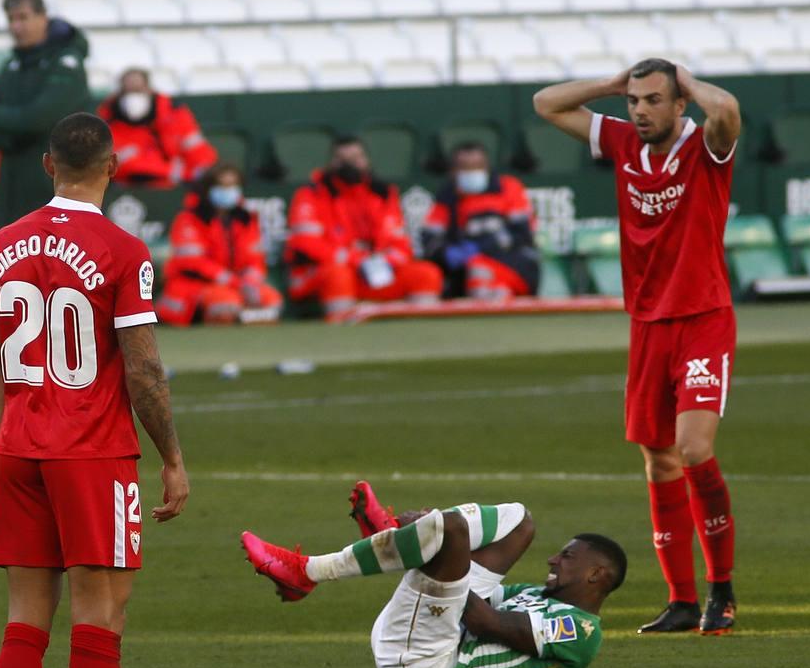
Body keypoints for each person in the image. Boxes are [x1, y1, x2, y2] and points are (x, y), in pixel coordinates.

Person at [0, 112, 191, 668]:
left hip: (20, 445)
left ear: (46, 165)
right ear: (113, 164)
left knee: (22, 621)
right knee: (100, 618)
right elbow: (144, 371)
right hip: (91, 451)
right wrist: (170, 457)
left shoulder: (0, 247)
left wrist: (15, 426)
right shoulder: (123, 250)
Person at [534, 58, 741, 635]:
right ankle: (679, 600)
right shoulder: (624, 142)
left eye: (655, 99)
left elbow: (724, 109)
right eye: (635, 100)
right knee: (657, 459)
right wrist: (611, 83)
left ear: (680, 104)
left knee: (693, 450)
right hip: (648, 323)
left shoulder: (707, 146)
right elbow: (546, 103)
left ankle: (720, 591)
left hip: (703, 316)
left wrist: (683, 76)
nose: (642, 110)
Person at [243, 482, 625, 668]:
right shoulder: (535, 595)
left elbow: (485, 622)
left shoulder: (581, 629)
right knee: (520, 522)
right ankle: (400, 537)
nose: (553, 560)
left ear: (596, 575)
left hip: (428, 666)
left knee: (452, 533)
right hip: (425, 638)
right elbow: (464, 587)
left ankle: (307, 572)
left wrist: (440, 545)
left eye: (568, 557)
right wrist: (436, 544)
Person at [0, 0, 90, 412]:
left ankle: (72, 370)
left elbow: (45, 116)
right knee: (14, 282)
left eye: (24, 17)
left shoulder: (65, 61)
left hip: (56, 190)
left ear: (43, 17)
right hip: (15, 188)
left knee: (61, 281)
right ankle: (8, 368)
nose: (18, 27)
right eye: (12, 19)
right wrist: (12, 123)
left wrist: (7, 121)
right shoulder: (13, 64)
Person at [285, 136, 443, 321]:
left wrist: (387, 261)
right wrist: (355, 259)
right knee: (338, 274)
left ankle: (420, 334)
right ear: (332, 162)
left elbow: (400, 242)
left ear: (366, 159)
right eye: (343, 160)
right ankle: (343, 330)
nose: (351, 165)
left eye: (356, 158)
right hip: (329, 273)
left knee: (426, 274)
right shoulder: (311, 194)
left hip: (376, 271)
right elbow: (307, 243)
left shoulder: (382, 193)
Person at [160, 163, 282, 326]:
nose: (228, 191)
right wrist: (231, 280)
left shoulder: (245, 219)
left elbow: (255, 258)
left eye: (233, 186)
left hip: (235, 283)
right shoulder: (189, 218)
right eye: (223, 186)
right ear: (208, 189)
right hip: (196, 285)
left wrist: (251, 280)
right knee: (225, 306)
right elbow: (193, 263)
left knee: (271, 300)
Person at [420, 141, 541, 301]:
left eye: (477, 166)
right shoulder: (447, 196)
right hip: (466, 270)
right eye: (465, 167)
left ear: (487, 166)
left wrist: (482, 246)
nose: (472, 171)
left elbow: (522, 233)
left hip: (513, 263)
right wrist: (447, 252)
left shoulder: (507, 187)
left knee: (480, 269)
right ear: (454, 171)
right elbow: (430, 239)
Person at [96, 68, 217, 188]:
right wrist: (174, 172)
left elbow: (199, 152)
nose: (134, 97)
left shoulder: (174, 114)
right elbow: (117, 165)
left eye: (138, 90)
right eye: (129, 91)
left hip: (172, 187)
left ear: (149, 89)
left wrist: (198, 172)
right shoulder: (108, 118)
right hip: (126, 189)